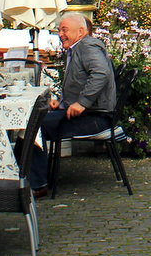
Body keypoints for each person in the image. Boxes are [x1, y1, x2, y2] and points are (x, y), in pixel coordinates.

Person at [32, 11, 118, 194]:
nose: (60, 34)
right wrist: (61, 102)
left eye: (64, 30)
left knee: (34, 126)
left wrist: (82, 103)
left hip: (95, 117)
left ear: (80, 31)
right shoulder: (78, 48)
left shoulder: (87, 46)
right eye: (59, 30)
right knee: (33, 120)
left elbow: (101, 73)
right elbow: (79, 82)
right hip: (88, 114)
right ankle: (27, 177)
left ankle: (36, 183)